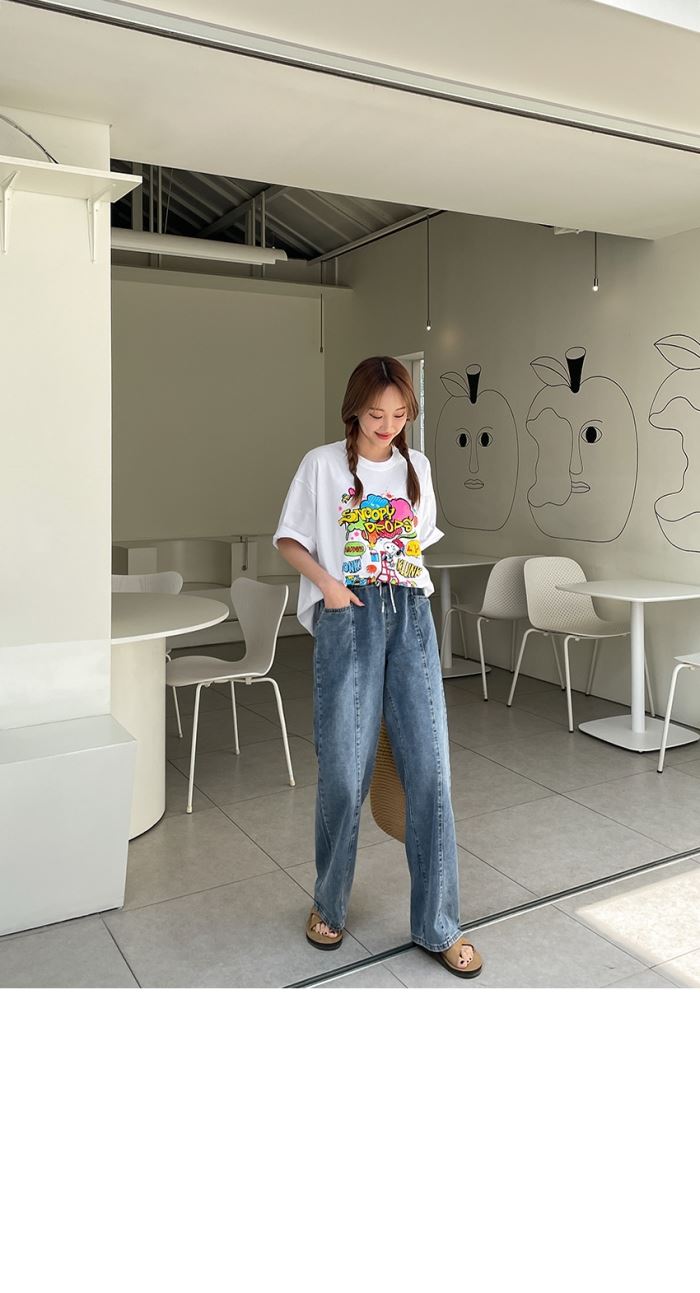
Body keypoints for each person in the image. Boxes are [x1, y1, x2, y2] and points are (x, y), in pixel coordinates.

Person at [273, 356, 482, 979]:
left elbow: (417, 542)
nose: (387, 425)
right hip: (350, 615)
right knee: (344, 771)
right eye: (375, 414)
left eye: (398, 414)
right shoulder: (322, 465)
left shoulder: (417, 467)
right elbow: (289, 539)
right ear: (354, 410)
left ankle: (439, 925)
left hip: (410, 613)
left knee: (432, 772)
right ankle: (329, 903)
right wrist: (330, 588)